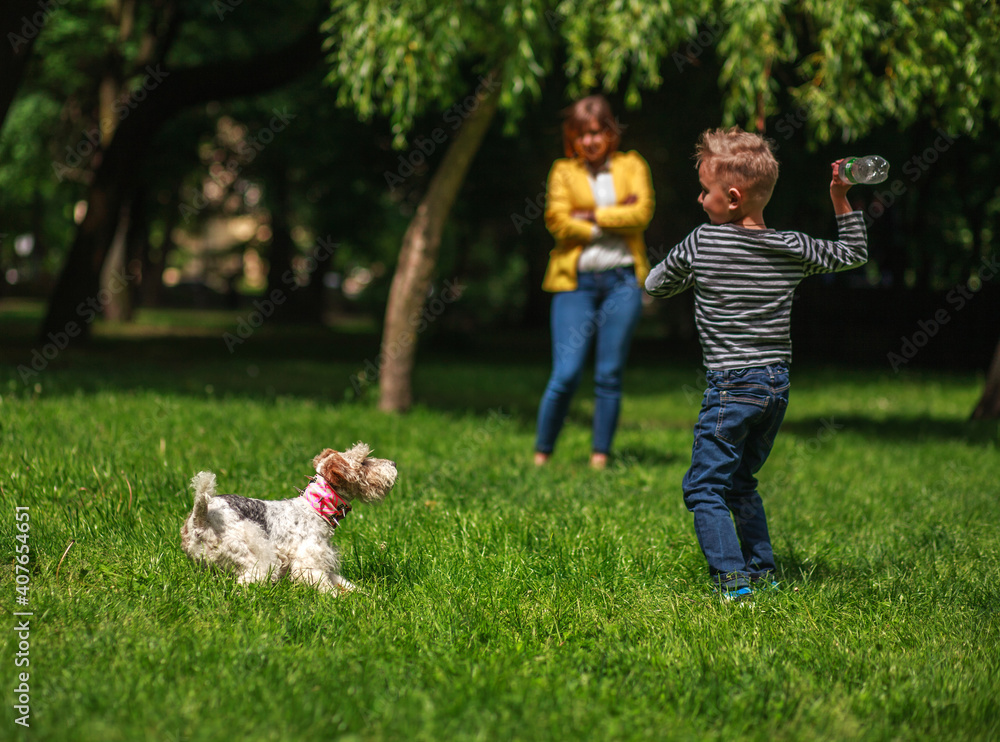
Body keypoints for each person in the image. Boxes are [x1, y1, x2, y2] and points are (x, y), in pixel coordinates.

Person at [644, 127, 867, 600]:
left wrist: (687, 275)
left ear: (731, 197)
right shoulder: (791, 247)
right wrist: (839, 196)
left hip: (730, 387)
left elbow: (655, 284)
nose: (699, 197)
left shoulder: (703, 243)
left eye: (704, 190)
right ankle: (763, 572)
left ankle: (732, 582)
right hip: (775, 387)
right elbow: (854, 253)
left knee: (705, 487)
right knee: (742, 481)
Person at [534, 95, 655, 470]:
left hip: (623, 282)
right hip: (575, 283)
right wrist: (614, 215)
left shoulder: (632, 165)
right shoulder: (562, 171)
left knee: (609, 374)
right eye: (582, 133)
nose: (590, 140)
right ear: (573, 136)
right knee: (566, 373)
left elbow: (642, 214)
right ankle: (542, 454)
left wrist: (587, 215)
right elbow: (557, 220)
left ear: (610, 133)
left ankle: (600, 456)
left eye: (598, 131)